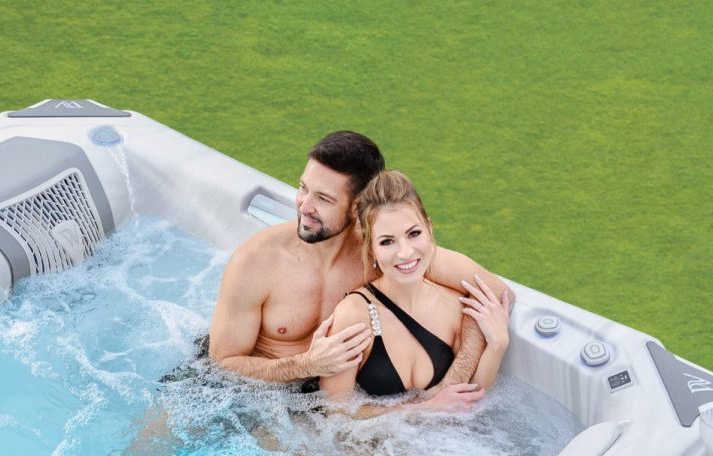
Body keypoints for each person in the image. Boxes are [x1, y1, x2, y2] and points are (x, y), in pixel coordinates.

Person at [207, 131, 510, 406]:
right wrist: (306, 365)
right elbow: (222, 363)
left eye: (323, 198)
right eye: (303, 188)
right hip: (238, 392)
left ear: (357, 207)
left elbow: (495, 293)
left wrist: (451, 383)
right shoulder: (257, 261)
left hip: (314, 405)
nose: (303, 205)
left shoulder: (385, 252)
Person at [318, 171, 511, 414]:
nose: (406, 253)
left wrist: (497, 345)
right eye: (387, 242)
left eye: (414, 234)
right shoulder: (355, 315)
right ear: (371, 249)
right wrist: (424, 409)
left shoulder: (454, 306)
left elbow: (472, 398)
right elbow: (335, 414)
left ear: (429, 228)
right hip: (363, 448)